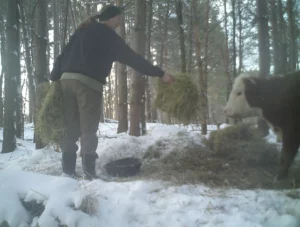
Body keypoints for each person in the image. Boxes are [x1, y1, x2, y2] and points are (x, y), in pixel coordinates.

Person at [50, 5, 175, 180]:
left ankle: (68, 171)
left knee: (70, 127)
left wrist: (54, 77)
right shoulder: (107, 35)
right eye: (118, 19)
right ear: (109, 18)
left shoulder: (82, 29)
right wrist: (160, 73)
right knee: (88, 128)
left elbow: (62, 55)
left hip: (66, 81)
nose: (119, 23)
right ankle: (89, 172)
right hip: (87, 83)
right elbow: (133, 58)